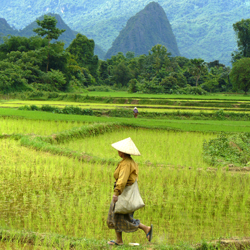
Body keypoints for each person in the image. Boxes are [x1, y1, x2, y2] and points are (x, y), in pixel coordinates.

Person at [107, 137, 153, 246]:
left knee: (119, 215)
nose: (118, 151)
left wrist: (116, 193)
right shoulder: (129, 162)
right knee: (120, 216)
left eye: (119, 150)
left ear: (123, 151)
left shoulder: (126, 164)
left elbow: (122, 180)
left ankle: (146, 229)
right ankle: (120, 240)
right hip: (125, 193)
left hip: (123, 193)